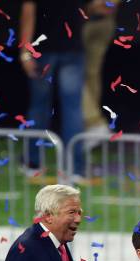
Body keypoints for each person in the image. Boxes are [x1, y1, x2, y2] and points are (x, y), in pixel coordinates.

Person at [19, 0, 90, 179]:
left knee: (39, 106)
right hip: (72, 48)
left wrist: (25, 52)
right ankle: (74, 168)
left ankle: (32, 163)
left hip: (44, 49)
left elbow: (29, 12)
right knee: (72, 108)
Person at [83, 0, 119, 136]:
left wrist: (96, 5)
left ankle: (93, 123)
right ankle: (92, 123)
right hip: (86, 21)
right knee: (84, 74)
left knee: (89, 74)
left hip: (98, 22)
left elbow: (105, 6)